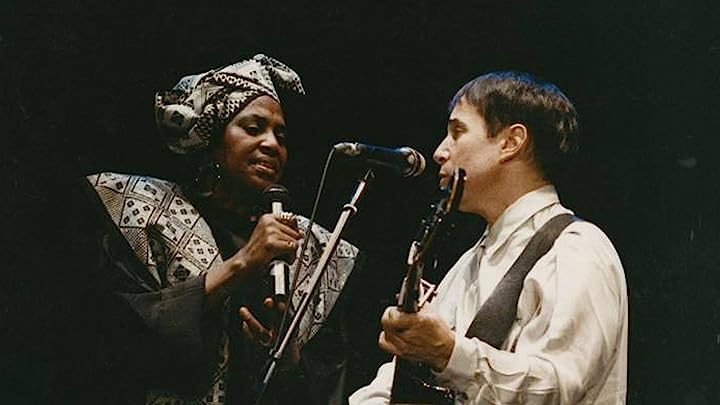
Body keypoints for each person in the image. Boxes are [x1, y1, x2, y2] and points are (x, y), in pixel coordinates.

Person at [79, 54, 360, 404]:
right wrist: (243, 262)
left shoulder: (312, 249)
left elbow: (329, 384)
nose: (272, 144)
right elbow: (116, 340)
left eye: (281, 135)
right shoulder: (145, 214)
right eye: (254, 128)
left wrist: (289, 361)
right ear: (211, 140)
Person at [349, 71, 627, 404]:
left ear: (511, 143)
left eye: (458, 132)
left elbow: (558, 387)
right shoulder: (469, 262)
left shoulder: (576, 249)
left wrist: (450, 353)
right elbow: (394, 386)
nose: (440, 152)